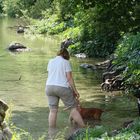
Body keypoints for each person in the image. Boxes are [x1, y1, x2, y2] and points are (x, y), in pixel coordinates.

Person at [45, 48, 85, 136]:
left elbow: (50, 75)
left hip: (49, 87)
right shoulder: (66, 62)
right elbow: (69, 78)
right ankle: (84, 128)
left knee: (53, 111)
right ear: (66, 55)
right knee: (73, 108)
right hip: (62, 87)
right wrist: (75, 91)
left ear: (58, 53)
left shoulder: (51, 61)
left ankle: (51, 133)